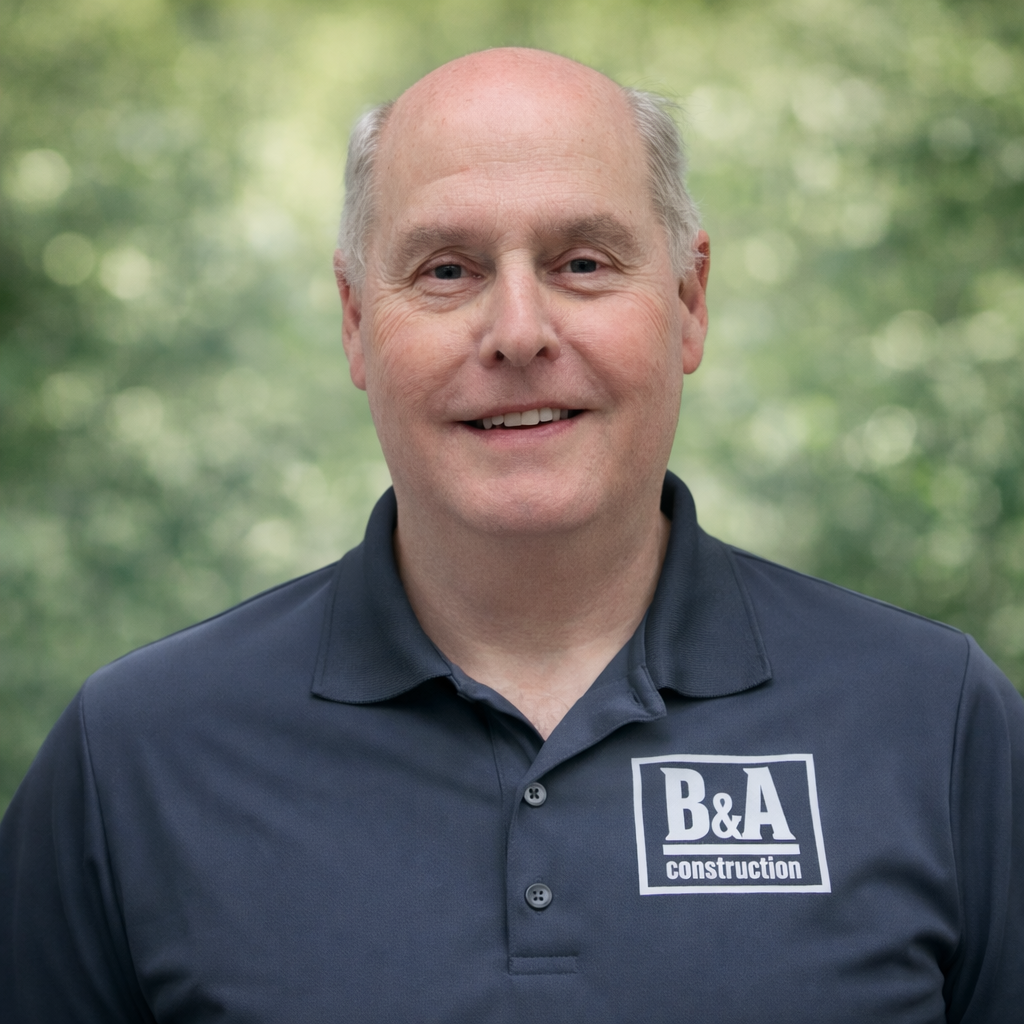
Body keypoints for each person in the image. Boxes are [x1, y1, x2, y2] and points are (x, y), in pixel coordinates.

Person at [1, 47, 1021, 1024]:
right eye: (447, 271)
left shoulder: (937, 723)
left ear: (688, 300)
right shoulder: (134, 754)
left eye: (582, 262)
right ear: (355, 321)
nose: (520, 331)